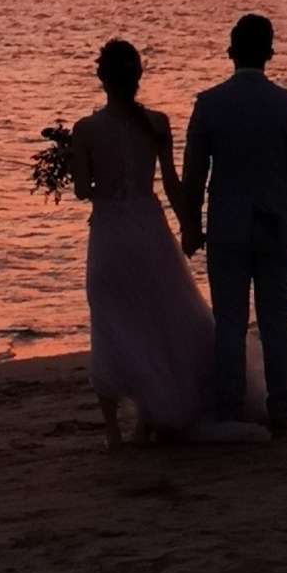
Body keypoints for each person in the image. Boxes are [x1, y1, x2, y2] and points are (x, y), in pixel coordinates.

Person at [66, 39, 223, 448]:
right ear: (138, 76)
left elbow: (84, 190)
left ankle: (114, 431)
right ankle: (146, 422)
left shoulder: (85, 130)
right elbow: (170, 183)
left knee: (111, 323)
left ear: (102, 78)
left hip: (111, 237)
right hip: (151, 232)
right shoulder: (157, 123)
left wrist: (73, 161)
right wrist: (190, 224)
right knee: (157, 320)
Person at [180, 13, 287, 436]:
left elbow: (194, 176)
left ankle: (230, 408)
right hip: (277, 224)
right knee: (277, 322)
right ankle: (279, 407)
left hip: (228, 227)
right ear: (270, 54)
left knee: (230, 323)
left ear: (230, 52)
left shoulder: (209, 104)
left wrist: (189, 226)